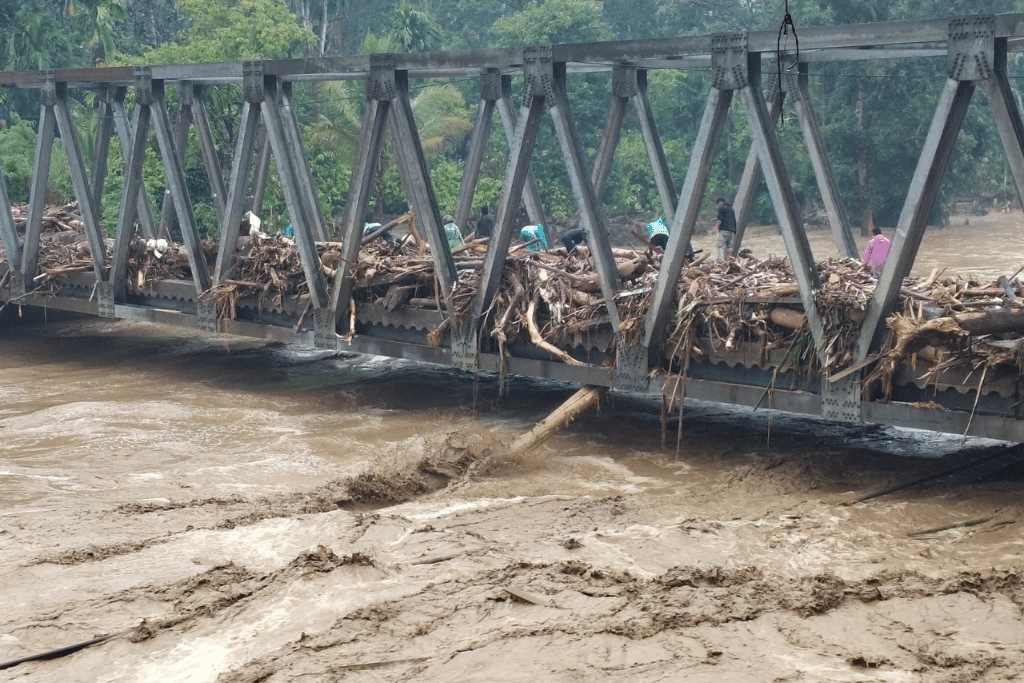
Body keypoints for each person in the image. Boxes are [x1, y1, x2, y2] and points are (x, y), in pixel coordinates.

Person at [714, 197, 737, 261]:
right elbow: (734, 220)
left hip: (724, 230)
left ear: (720, 202)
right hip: (732, 231)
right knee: (729, 247)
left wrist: (716, 228)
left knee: (720, 245)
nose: (718, 205)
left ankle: (721, 261)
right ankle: (728, 261)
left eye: (718, 204)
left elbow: (720, 219)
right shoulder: (731, 209)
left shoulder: (722, 208)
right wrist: (734, 230)